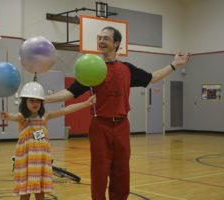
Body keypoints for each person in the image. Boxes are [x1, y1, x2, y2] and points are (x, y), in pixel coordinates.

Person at [45, 26, 191, 200]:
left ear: (116, 43)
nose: (101, 41)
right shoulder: (92, 69)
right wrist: (44, 99)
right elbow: (70, 92)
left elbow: (152, 77)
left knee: (121, 170)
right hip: (100, 126)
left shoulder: (126, 69)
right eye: (99, 38)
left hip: (122, 125)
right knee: (99, 170)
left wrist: (175, 64)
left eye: (106, 38)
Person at [1, 81, 95, 200]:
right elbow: (13, 117)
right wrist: (7, 116)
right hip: (27, 162)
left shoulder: (45, 116)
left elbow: (66, 110)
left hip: (42, 161)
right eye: (31, 100)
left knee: (41, 193)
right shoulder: (23, 118)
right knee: (25, 193)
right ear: (25, 102)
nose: (35, 103)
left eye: (37, 100)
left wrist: (86, 103)